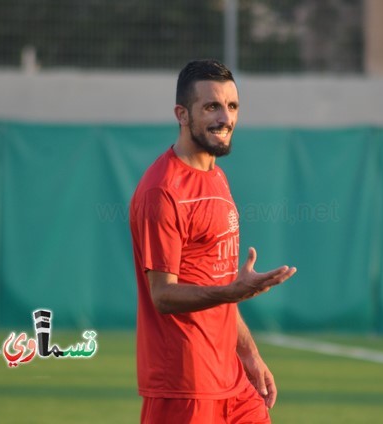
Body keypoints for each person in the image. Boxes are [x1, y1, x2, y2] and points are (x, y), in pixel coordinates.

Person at [129, 59, 297, 424]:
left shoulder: (216, 177)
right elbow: (163, 295)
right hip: (185, 386)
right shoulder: (163, 190)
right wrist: (233, 292)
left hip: (232, 381)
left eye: (232, 106)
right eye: (211, 107)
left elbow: (216, 279)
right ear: (182, 114)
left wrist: (249, 354)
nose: (226, 118)